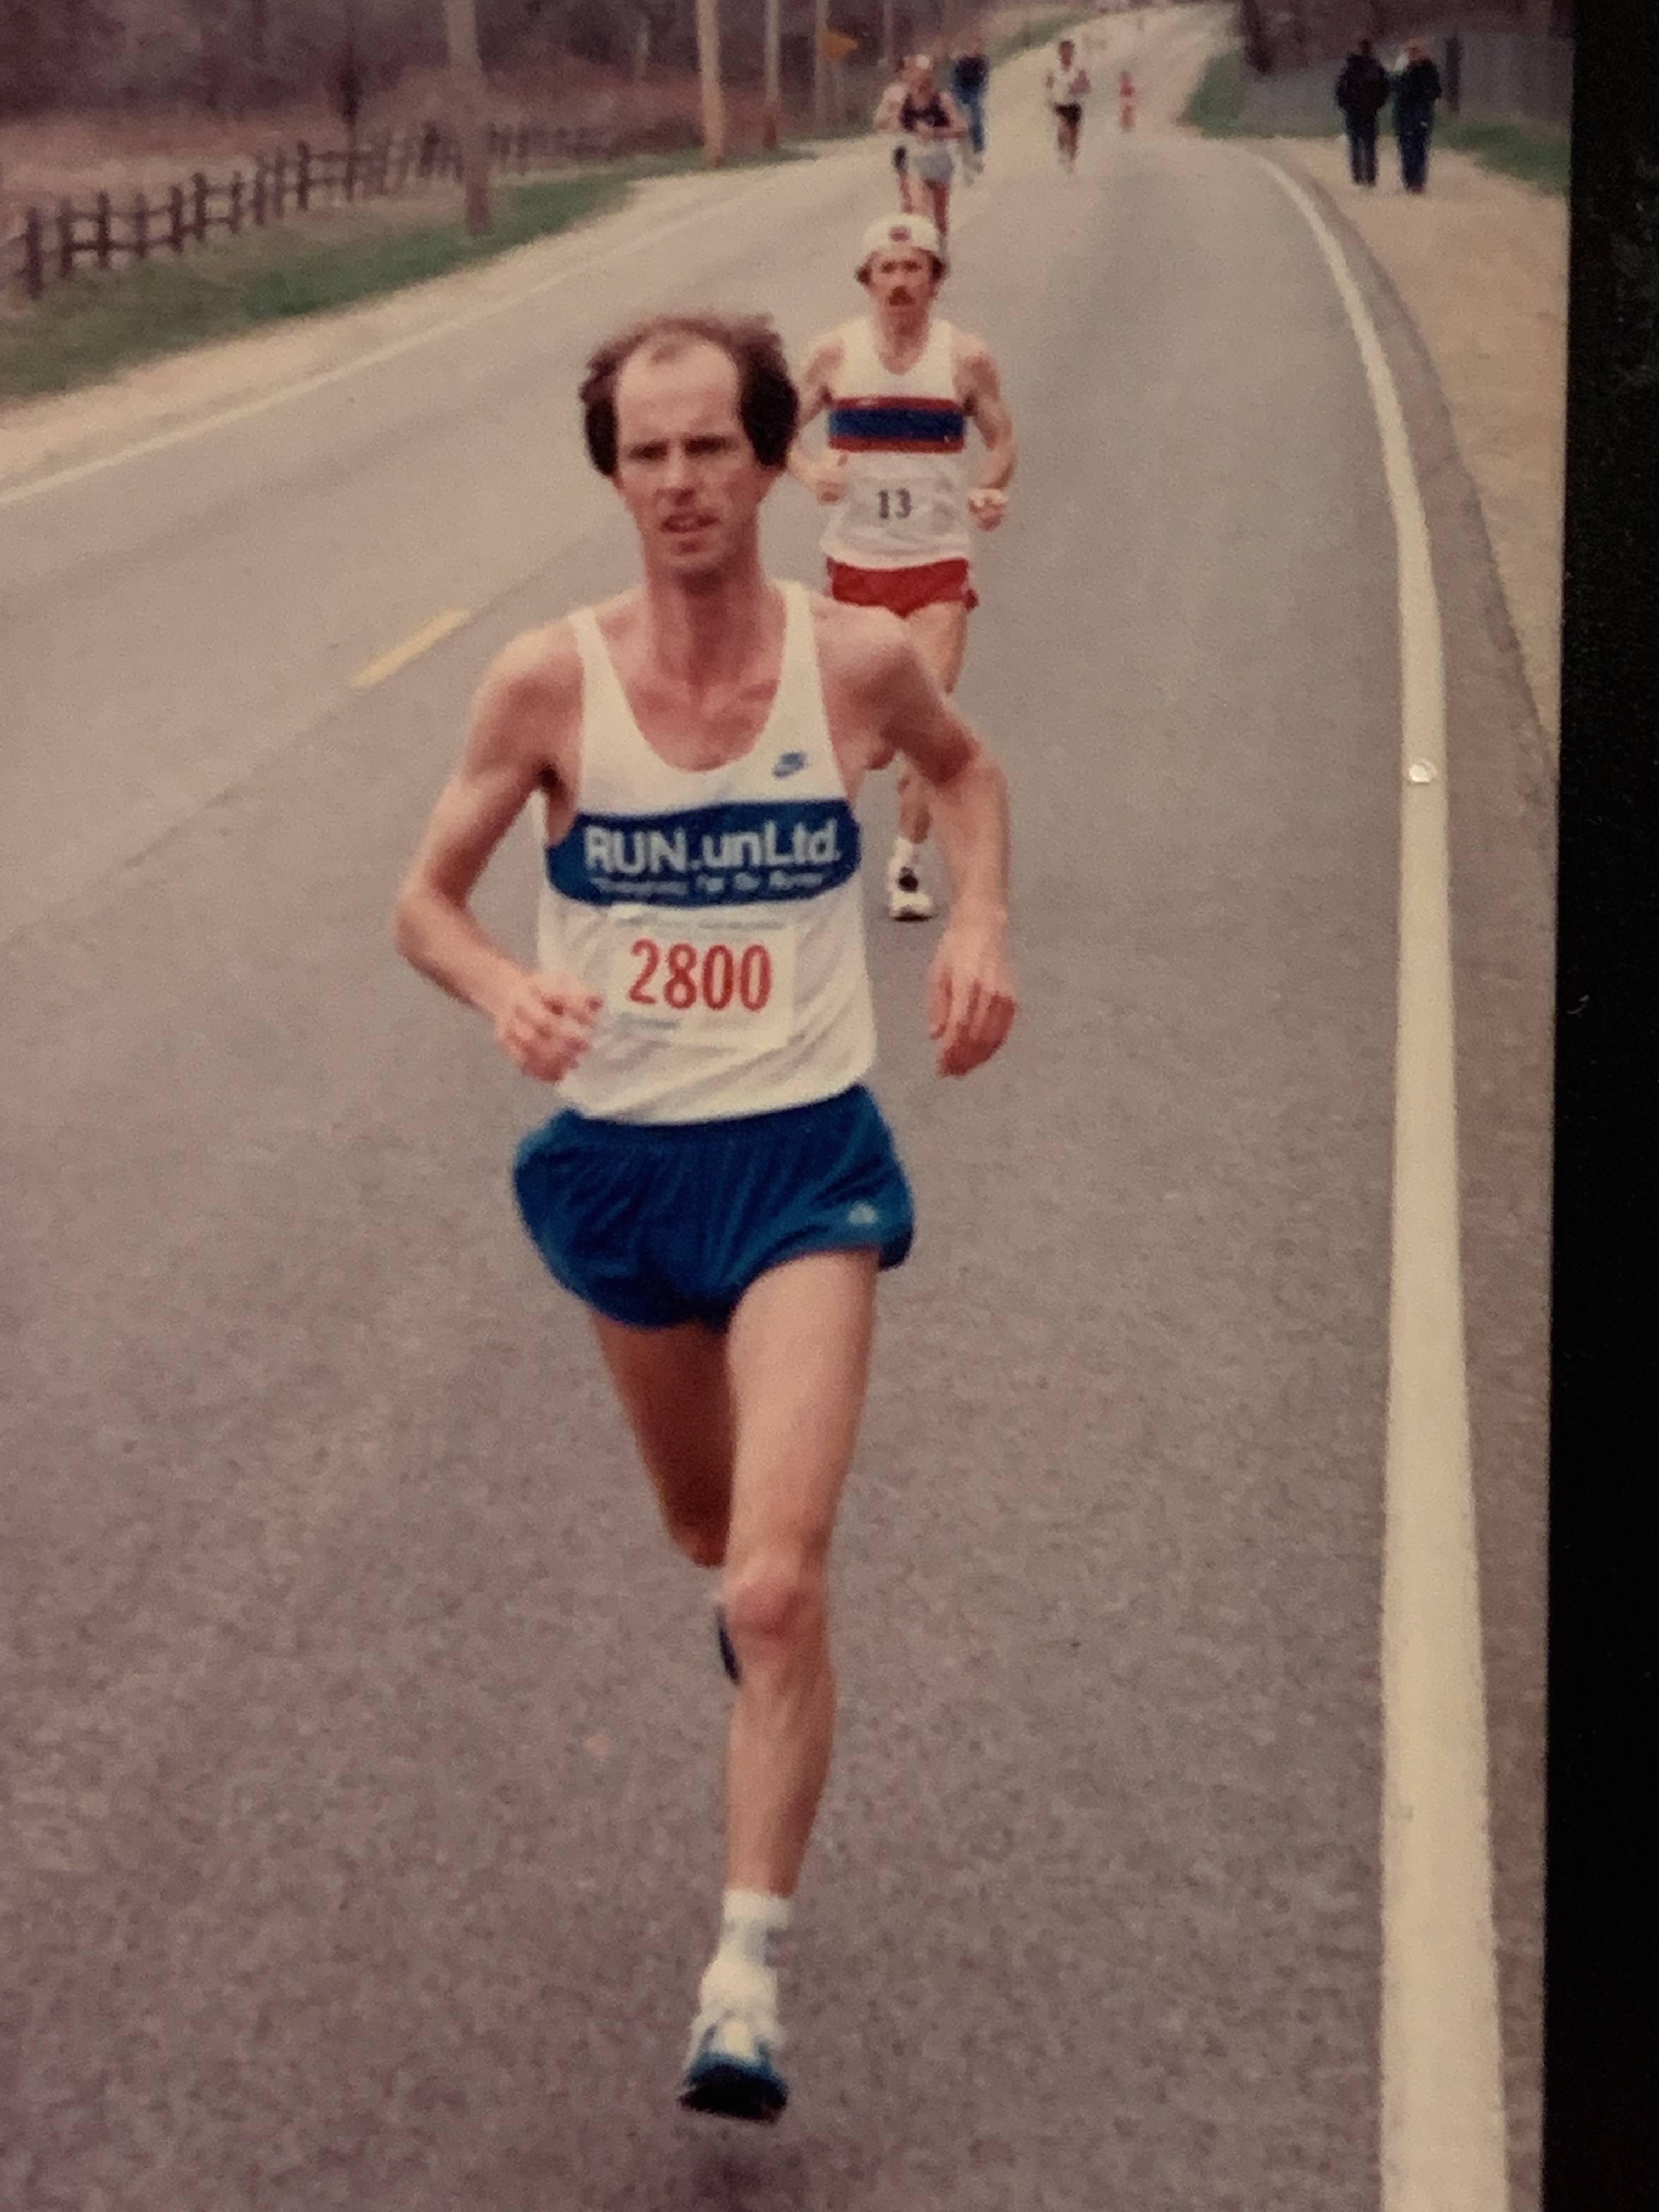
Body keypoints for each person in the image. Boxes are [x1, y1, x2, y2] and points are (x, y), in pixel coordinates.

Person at [391, 311, 1016, 2124]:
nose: (678, 483)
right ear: (615, 476)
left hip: (805, 1161)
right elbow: (424, 902)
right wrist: (502, 984)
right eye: (646, 454)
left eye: (709, 448)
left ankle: (742, 1974)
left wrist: (979, 924)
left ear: (766, 460)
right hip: (625, 1167)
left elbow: (969, 773)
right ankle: (757, 1638)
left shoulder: (855, 664)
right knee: (702, 1534)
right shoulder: (543, 686)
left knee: (775, 1577)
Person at [788, 215, 1017, 921]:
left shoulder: (965, 357)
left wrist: (989, 489)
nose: (899, 282)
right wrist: (812, 473)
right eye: (886, 270)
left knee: (928, 715)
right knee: (870, 742)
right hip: (857, 566)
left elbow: (1001, 439)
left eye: (913, 268)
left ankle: (907, 867)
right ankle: (828, 855)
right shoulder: (834, 354)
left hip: (936, 562)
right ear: (867, 281)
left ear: (935, 280)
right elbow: (777, 436)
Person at [894, 53, 968, 239]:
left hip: (939, 161)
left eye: (920, 73)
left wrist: (935, 133)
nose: (914, 77)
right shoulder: (905, 101)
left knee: (940, 218)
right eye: (911, 73)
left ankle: (940, 249)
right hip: (914, 161)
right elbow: (895, 123)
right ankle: (922, 245)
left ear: (928, 75)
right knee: (918, 208)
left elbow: (961, 128)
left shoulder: (942, 99)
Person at [1334, 34, 1390, 188]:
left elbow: (1340, 88)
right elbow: (1385, 88)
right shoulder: (1376, 67)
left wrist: (1344, 104)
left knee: (1355, 144)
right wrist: (1378, 104)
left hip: (1353, 111)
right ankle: (1371, 176)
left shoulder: (1350, 67)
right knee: (1370, 144)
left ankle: (1358, 174)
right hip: (1370, 111)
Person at [1392, 36, 1444, 194]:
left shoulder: (1429, 69)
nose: (1412, 54)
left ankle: (1419, 181)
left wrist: (1426, 97)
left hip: (1422, 112)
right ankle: (1409, 180)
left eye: (1415, 51)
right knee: (1406, 147)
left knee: (1420, 147)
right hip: (1403, 112)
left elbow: (1436, 90)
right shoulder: (1402, 69)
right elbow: (1394, 89)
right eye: (1410, 52)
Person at [872, 55, 915, 211]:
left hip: (924, 145)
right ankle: (908, 206)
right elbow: (879, 120)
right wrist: (893, 114)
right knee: (906, 184)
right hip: (903, 141)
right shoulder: (893, 92)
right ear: (901, 72)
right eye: (907, 69)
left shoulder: (928, 92)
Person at [1045, 37, 1092, 171]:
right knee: (1062, 128)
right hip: (1060, 104)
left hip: (1074, 104)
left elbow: (1087, 87)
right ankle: (1062, 152)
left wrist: (1077, 88)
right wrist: (1049, 98)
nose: (1066, 54)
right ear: (1060, 53)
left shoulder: (1078, 69)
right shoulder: (1054, 69)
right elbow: (1048, 85)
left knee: (1074, 136)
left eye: (1069, 51)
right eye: (1064, 51)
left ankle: (1071, 161)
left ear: (1072, 52)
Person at [949, 31, 990, 179]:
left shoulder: (983, 62)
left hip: (974, 93)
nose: (976, 48)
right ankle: (965, 164)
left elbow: (982, 82)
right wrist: (958, 100)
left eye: (980, 46)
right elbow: (955, 83)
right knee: (961, 127)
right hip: (960, 93)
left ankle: (978, 153)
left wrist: (976, 97)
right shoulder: (961, 62)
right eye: (974, 45)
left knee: (977, 122)